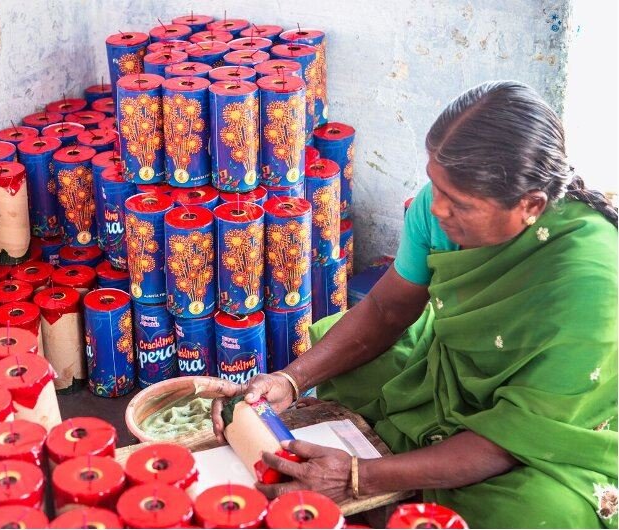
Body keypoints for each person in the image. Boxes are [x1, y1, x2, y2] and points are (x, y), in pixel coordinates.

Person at [211, 81, 618, 528]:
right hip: (449, 368)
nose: (437, 209)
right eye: (435, 186)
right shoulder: (438, 207)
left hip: (546, 421)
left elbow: (511, 436)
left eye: (459, 204)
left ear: (531, 206)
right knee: (347, 354)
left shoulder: (591, 279)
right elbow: (386, 310)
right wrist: (290, 380)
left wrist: (357, 477)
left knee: (541, 512)